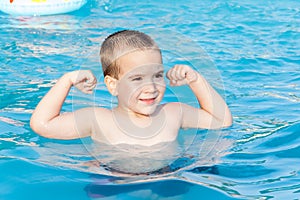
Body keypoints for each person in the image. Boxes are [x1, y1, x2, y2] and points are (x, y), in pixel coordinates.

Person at [30, 30, 232, 147]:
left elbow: (222, 121)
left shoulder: (173, 113)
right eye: (137, 78)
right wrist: (66, 80)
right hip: (112, 181)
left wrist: (196, 79)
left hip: (167, 178)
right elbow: (42, 125)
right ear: (113, 85)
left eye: (157, 76)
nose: (151, 87)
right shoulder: (99, 120)